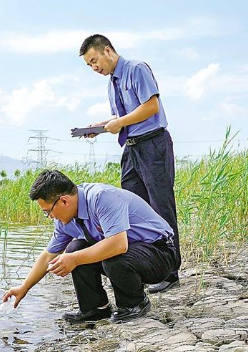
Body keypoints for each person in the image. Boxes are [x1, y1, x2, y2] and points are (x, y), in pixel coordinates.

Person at [2, 170, 178, 323]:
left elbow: (118, 244)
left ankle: (134, 304)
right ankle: (95, 309)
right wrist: (24, 288)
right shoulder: (65, 221)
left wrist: (75, 259)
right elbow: (48, 255)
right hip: (132, 253)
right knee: (74, 249)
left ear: (64, 201)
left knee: (104, 255)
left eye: (48, 211)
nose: (50, 216)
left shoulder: (102, 197)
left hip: (160, 253)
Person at [79, 34, 180, 293]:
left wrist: (119, 123)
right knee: (132, 209)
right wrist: (101, 126)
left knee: (161, 206)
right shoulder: (112, 82)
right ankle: (142, 266)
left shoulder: (136, 69)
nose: (94, 68)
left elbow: (151, 107)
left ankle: (170, 272)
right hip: (131, 148)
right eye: (89, 65)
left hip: (153, 143)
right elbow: (122, 117)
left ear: (108, 51)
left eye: (94, 60)